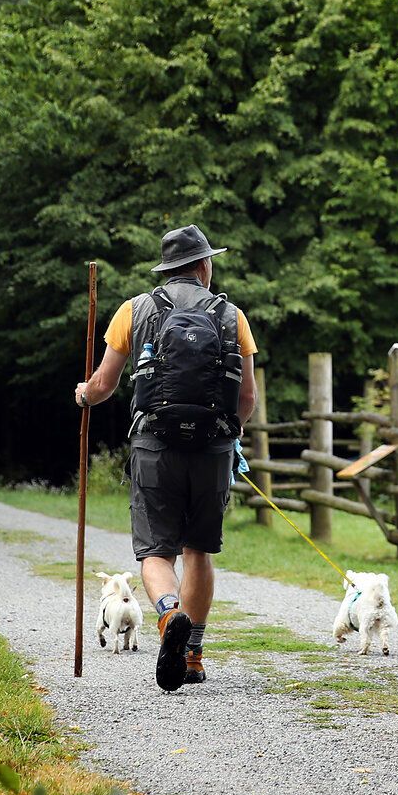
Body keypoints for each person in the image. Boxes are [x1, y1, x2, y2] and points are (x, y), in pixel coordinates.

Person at [75, 225, 258, 691]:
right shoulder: (232, 315)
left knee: (157, 551)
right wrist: (230, 434)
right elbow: (248, 397)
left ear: (167, 268)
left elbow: (103, 386)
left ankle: (167, 615)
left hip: (155, 445)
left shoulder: (134, 310)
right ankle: (192, 655)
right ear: (202, 266)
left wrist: (83, 394)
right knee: (199, 550)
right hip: (213, 449)